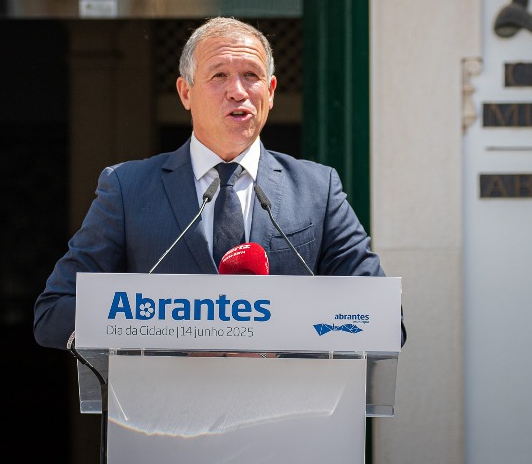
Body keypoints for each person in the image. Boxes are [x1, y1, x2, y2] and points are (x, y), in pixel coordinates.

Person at [33, 17, 394, 349]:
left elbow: (382, 315)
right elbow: (54, 312)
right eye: (219, 75)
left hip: (286, 396)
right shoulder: (128, 188)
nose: (237, 91)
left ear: (270, 91)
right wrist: (168, 329)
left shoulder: (318, 189)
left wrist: (289, 333)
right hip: (165, 397)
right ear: (185, 93)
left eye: (251, 75)